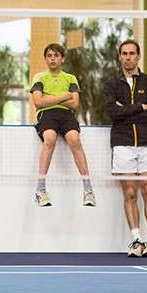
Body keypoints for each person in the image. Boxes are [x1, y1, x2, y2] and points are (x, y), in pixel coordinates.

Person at [103, 40, 147, 258]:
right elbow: (111, 113)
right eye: (124, 54)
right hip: (122, 142)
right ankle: (136, 240)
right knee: (129, 192)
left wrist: (125, 110)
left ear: (138, 57)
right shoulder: (111, 85)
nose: (128, 57)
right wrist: (139, 107)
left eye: (132, 53)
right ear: (120, 57)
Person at [29, 43, 96, 207]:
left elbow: (74, 104)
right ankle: (41, 189)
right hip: (47, 115)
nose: (52, 59)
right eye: (49, 56)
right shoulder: (39, 78)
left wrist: (49, 98)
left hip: (66, 115)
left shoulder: (70, 78)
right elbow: (37, 102)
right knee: (50, 138)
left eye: (56, 55)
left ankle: (88, 190)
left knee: (74, 139)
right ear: (45, 59)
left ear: (62, 58)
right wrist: (64, 96)